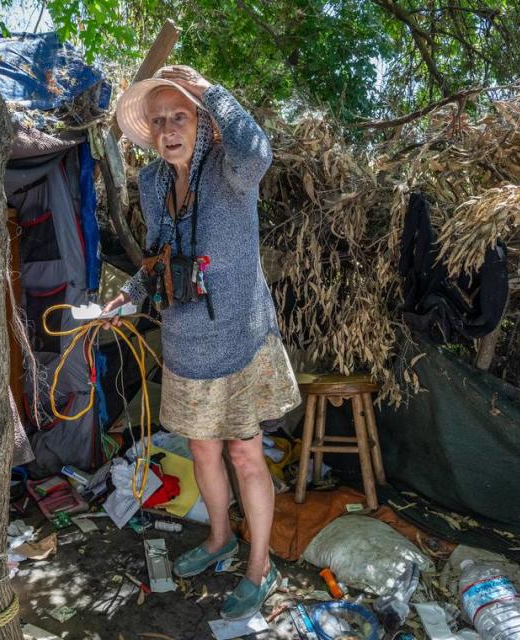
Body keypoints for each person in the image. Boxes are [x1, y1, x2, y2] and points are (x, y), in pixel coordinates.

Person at [104, 65, 301, 620]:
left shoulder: (230, 169)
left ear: (202, 123)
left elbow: (259, 153)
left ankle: (259, 569)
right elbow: (156, 256)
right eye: (160, 120)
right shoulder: (152, 183)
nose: (169, 129)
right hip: (187, 340)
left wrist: (213, 89)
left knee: (244, 452)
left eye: (182, 116)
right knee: (201, 450)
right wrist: (126, 298)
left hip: (239, 337)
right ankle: (220, 540)